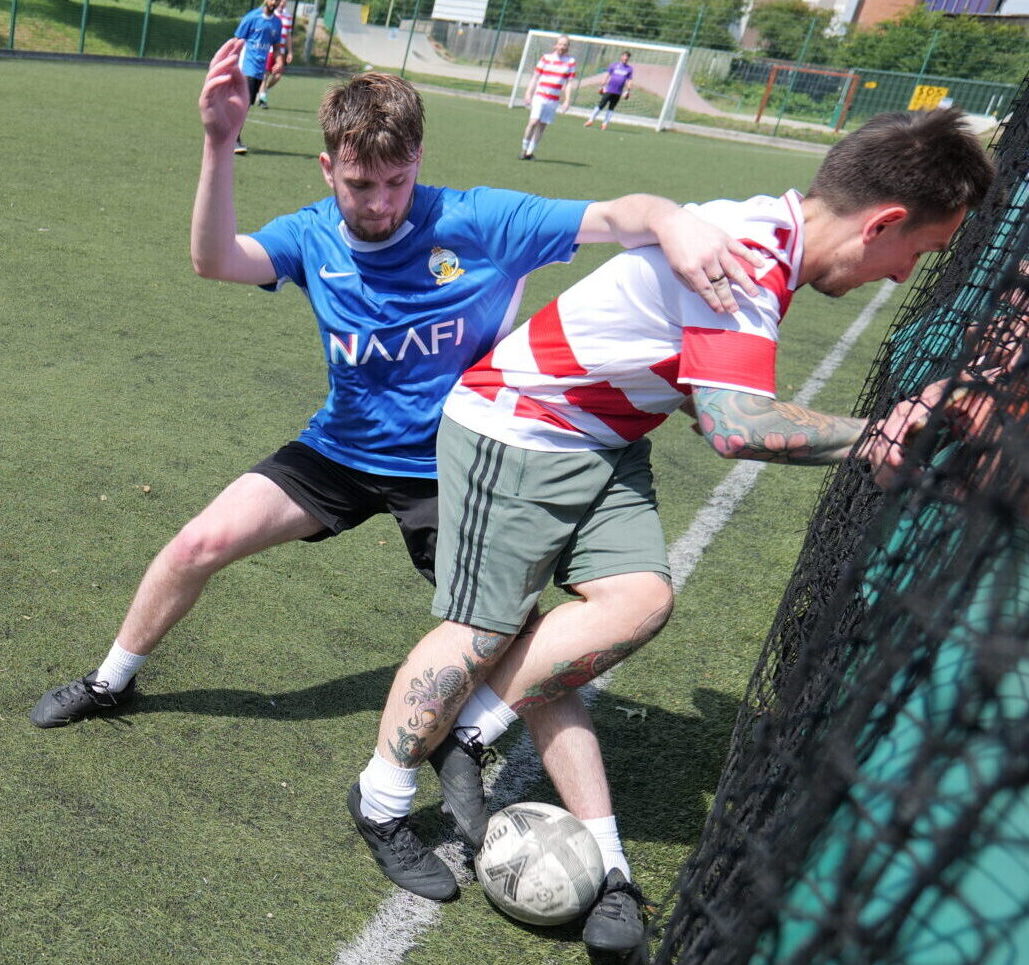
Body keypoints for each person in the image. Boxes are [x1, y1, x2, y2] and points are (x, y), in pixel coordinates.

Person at [349, 108, 995, 955]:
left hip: (602, 436)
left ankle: (471, 735)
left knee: (635, 601)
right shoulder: (751, 256)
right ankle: (382, 797)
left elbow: (706, 397)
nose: (901, 274)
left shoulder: (763, 242)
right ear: (881, 223)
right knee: (483, 629)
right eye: (916, 253)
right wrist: (875, 433)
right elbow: (732, 426)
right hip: (521, 427)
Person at [28, 47, 758, 738]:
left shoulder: (478, 220)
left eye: (396, 181)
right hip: (338, 450)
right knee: (197, 542)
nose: (379, 203)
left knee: (504, 629)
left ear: (418, 163)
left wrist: (670, 218)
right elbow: (216, 260)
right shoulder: (311, 235)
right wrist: (220, 142)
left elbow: (615, 215)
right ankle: (110, 680)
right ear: (326, 168)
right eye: (359, 185)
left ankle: (471, 743)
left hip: (452, 466)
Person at [232, 0, 284, 154]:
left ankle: (231, 137)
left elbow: (276, 46)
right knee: (243, 104)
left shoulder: (277, 23)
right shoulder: (251, 17)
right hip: (246, 67)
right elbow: (236, 41)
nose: (274, 2)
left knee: (246, 105)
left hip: (259, 70)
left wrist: (280, 61)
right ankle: (234, 139)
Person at [520, 34, 576, 161]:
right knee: (533, 122)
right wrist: (528, 93)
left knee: (542, 125)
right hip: (540, 95)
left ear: (568, 47)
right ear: (555, 45)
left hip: (553, 99)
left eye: (565, 45)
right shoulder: (546, 58)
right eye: (560, 44)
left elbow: (569, 83)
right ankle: (524, 148)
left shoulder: (571, 62)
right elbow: (535, 77)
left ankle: (530, 152)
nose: (562, 47)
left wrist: (567, 100)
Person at [256, 0, 293, 109]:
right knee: (265, 74)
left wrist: (290, 51)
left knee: (277, 76)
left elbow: (288, 35)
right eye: (280, 1)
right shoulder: (271, 14)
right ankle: (262, 99)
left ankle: (263, 91)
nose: (282, 3)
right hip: (269, 50)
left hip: (280, 52)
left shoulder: (288, 17)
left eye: (284, 1)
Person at [584, 51, 633, 130]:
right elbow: (607, 74)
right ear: (621, 57)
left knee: (611, 108)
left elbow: (629, 80)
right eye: (624, 57)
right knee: (601, 105)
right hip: (609, 89)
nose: (625, 59)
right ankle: (590, 120)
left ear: (628, 59)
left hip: (618, 92)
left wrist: (628, 90)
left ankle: (605, 124)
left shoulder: (629, 69)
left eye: (627, 58)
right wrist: (602, 84)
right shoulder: (614, 65)